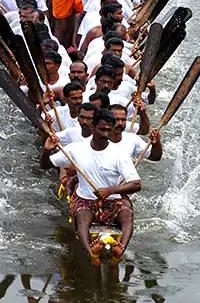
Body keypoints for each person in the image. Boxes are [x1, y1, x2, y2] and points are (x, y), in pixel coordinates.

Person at [41, 109, 141, 258]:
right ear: (93, 127)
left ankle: (120, 250)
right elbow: (45, 165)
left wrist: (111, 190)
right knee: (82, 216)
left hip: (112, 201)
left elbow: (136, 184)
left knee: (127, 215)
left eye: (109, 130)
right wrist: (46, 150)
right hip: (86, 201)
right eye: (102, 130)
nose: (106, 134)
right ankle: (91, 254)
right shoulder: (76, 148)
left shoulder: (119, 153)